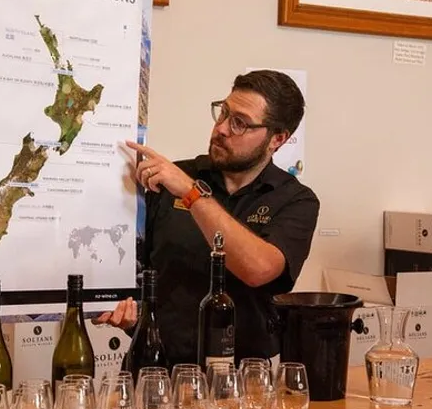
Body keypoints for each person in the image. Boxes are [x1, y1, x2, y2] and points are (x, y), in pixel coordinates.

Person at [94, 70, 320, 366]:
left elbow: (258, 269)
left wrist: (191, 193)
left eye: (239, 123)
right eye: (223, 113)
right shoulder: (170, 179)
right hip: (156, 370)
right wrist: (125, 310)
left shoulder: (295, 200)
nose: (222, 128)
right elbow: (132, 269)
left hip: (241, 377)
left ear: (276, 139)